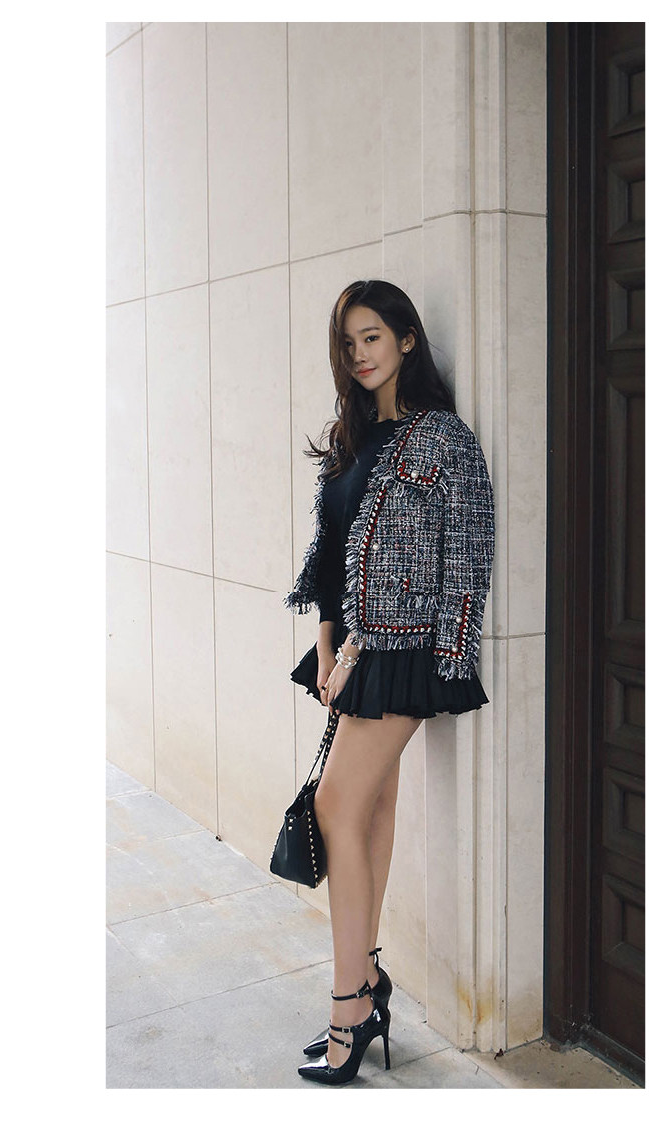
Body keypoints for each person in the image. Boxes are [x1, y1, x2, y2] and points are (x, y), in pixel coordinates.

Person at [284, 279, 495, 1086]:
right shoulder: (353, 435)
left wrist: (447, 664)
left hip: (403, 654)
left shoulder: (444, 438)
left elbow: (467, 557)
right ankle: (367, 984)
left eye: (372, 337)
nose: (360, 354)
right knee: (365, 811)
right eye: (349, 343)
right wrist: (326, 647)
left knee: (335, 805)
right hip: (348, 654)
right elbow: (329, 554)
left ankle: (349, 1006)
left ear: (407, 339)